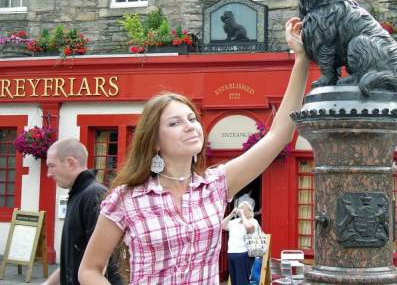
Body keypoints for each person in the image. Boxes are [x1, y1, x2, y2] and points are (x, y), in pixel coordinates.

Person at [78, 17, 309, 284]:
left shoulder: (215, 185)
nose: (189, 126)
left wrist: (300, 59)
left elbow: (279, 135)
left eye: (192, 119)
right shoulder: (127, 198)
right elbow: (89, 270)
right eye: (175, 123)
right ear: (154, 141)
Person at [43, 138, 122, 285]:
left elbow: (101, 264)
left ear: (71, 163)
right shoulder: (80, 195)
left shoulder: (94, 196)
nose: (49, 173)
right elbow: (73, 260)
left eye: (52, 166)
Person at [222, 195, 259, 285]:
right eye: (240, 207)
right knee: (234, 281)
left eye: (244, 208)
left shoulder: (252, 221)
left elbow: (249, 228)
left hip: (243, 254)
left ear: (249, 210)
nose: (241, 209)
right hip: (231, 253)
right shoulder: (234, 222)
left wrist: (242, 215)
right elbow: (222, 225)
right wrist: (231, 214)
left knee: (242, 281)